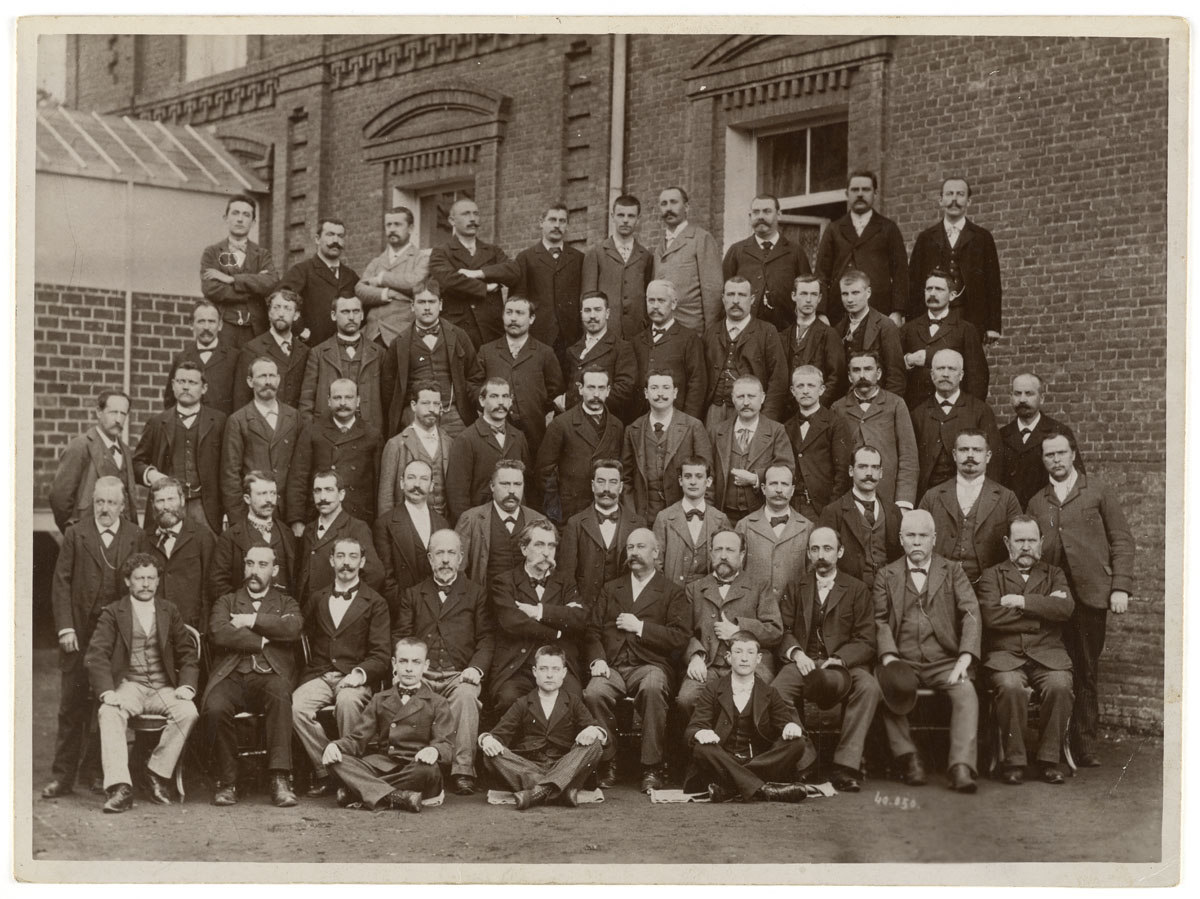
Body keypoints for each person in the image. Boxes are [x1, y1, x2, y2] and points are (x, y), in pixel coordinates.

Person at [1027, 433, 1134, 767]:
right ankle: (1055, 743)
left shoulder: (1097, 491)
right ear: (1043, 460)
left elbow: (1122, 541)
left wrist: (1120, 587)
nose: (1056, 460)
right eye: (1049, 455)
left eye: (1061, 453)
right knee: (1057, 667)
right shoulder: (1037, 501)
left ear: (1073, 454)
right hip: (1053, 599)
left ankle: (1085, 744)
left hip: (1091, 596)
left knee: (1086, 669)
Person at [43, 477, 148, 800]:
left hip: (115, 638)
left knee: (106, 704)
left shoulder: (135, 535)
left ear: (122, 505)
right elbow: (61, 583)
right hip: (79, 634)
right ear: (93, 502)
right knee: (72, 706)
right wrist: (66, 628)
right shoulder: (76, 534)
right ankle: (63, 777)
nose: (105, 508)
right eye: (99, 502)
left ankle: (97, 772)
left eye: (111, 503)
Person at [873, 509, 981, 793]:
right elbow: (880, 619)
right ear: (901, 539)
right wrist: (890, 657)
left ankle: (960, 766)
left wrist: (965, 656)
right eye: (911, 536)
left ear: (934, 539)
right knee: (886, 687)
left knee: (966, 692)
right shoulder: (886, 574)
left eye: (923, 536)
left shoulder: (953, 570)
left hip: (943, 660)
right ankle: (909, 758)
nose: (917, 542)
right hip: (903, 659)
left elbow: (971, 612)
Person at [85, 553, 200, 812]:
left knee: (188, 712)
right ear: (128, 581)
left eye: (151, 578)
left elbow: (187, 654)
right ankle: (120, 787)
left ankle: (156, 773)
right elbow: (97, 655)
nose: (146, 584)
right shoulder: (114, 612)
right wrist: (106, 691)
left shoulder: (169, 610)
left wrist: (186, 686)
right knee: (109, 712)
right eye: (139, 578)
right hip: (130, 685)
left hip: (163, 688)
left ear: (158, 581)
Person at [772, 527, 879, 793]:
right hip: (804, 663)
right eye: (815, 549)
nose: (821, 555)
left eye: (828, 549)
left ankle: (846, 765)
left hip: (844, 666)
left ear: (840, 552)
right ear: (808, 553)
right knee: (775, 691)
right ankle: (806, 759)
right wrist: (797, 653)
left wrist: (841, 659)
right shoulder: (796, 587)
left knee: (869, 687)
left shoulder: (857, 589)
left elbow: (867, 639)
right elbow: (781, 631)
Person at [584, 528, 689, 791]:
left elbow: (680, 637)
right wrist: (597, 660)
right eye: (630, 548)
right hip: (613, 666)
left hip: (650, 665)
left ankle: (651, 766)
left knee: (653, 688)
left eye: (641, 547)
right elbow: (592, 631)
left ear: (656, 553)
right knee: (594, 692)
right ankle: (609, 760)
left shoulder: (671, 591)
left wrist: (641, 627)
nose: (634, 553)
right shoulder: (611, 588)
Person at [394, 529, 494, 796]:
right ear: (430, 558)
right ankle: (413, 768)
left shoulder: (476, 593)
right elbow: (401, 636)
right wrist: (404, 670)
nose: (446, 560)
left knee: (467, 697)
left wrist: (475, 668)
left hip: (457, 674)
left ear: (461, 557)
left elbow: (487, 638)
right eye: (440, 553)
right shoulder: (413, 594)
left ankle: (463, 771)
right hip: (421, 673)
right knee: (403, 693)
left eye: (452, 553)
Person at [201, 544, 303, 808]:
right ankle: (227, 781)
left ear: (275, 570)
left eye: (262, 565)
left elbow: (292, 628)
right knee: (215, 706)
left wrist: (249, 620)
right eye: (249, 564)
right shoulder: (227, 601)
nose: (254, 571)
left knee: (281, 694)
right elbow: (219, 633)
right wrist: (265, 640)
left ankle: (280, 778)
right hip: (232, 674)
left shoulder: (286, 602)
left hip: (270, 675)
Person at [977, 515, 1075, 784]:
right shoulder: (992, 576)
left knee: (1060, 686)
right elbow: (991, 616)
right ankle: (1014, 761)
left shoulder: (1055, 574)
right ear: (1008, 543)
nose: (1026, 547)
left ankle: (1049, 760)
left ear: (1041, 543)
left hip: (1048, 655)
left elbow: (1065, 609)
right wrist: (1042, 609)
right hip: (1006, 656)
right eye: (1020, 540)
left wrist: (1020, 601)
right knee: (1010, 687)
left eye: (1031, 540)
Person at [291, 536, 391, 798]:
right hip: (321, 674)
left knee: (347, 702)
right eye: (341, 557)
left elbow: (382, 654)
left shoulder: (376, 602)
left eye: (353, 557)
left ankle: (352, 776)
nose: (346, 563)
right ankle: (328, 771)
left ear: (362, 561)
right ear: (332, 560)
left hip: (355, 677)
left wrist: (358, 675)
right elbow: (302, 638)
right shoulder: (317, 599)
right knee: (296, 706)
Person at [322, 637, 454, 812]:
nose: (408, 668)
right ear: (394, 664)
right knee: (336, 761)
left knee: (429, 771)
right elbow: (358, 738)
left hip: (415, 766)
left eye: (416, 662)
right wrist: (335, 746)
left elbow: (446, 744)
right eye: (403, 661)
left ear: (426, 666)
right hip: (383, 765)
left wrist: (435, 750)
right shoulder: (380, 699)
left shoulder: (438, 702)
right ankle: (398, 796)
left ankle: (357, 792)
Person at [683, 631, 815, 804]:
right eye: (738, 652)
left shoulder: (770, 693)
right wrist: (699, 733)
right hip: (724, 759)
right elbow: (692, 729)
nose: (744, 658)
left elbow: (785, 723)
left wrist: (791, 727)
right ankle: (766, 790)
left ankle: (731, 787)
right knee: (702, 749)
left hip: (759, 760)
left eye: (750, 653)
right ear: (729, 657)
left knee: (797, 743)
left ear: (758, 659)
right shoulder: (713, 689)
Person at [479, 644, 608, 810]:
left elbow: (600, 734)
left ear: (564, 673)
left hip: (565, 764)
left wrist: (594, 730)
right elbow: (498, 734)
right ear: (535, 672)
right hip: (529, 767)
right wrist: (486, 739)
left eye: (555, 669)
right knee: (491, 753)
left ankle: (538, 791)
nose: (549, 675)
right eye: (544, 669)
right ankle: (561, 791)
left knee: (594, 744)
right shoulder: (523, 703)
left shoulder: (573, 701)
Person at [677, 529, 783, 722]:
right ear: (710, 553)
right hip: (708, 666)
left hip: (750, 665)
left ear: (742, 555)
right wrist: (695, 656)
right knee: (687, 699)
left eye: (730, 550)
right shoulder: (695, 588)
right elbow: (683, 632)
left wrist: (739, 631)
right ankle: (704, 747)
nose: (723, 556)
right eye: (718, 550)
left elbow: (775, 631)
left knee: (759, 699)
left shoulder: (759, 586)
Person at [487, 519, 588, 716]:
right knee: (508, 698)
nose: (546, 552)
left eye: (551, 546)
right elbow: (513, 622)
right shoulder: (504, 582)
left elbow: (580, 618)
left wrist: (538, 611)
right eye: (539, 545)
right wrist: (558, 630)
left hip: (557, 666)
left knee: (572, 698)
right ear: (524, 549)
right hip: (519, 666)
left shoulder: (565, 582)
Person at [478, 203, 584, 365]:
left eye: (562, 221)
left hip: (570, 338)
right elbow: (518, 299)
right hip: (538, 336)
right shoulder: (526, 258)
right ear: (541, 222)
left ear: (567, 225)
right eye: (552, 220)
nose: (557, 225)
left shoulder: (579, 258)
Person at [918, 429, 1021, 586]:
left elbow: (1018, 546)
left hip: (990, 587)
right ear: (954, 455)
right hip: (940, 585)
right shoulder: (932, 496)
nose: (970, 455)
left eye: (977, 450)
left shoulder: (1007, 498)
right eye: (964, 450)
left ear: (988, 456)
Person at [133, 361, 227, 535]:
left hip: (205, 508)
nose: (186, 387)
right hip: (167, 507)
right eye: (181, 381)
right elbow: (137, 463)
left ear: (204, 388)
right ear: (173, 385)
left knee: (207, 555)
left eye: (192, 383)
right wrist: (153, 475)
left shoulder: (220, 422)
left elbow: (229, 469)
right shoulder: (157, 423)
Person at [467, 295, 565, 459]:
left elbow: (556, 390)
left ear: (532, 318)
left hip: (534, 431)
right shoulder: (487, 351)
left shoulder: (544, 353)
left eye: (520, 313)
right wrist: (488, 406)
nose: (513, 318)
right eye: (509, 312)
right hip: (497, 429)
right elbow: (473, 386)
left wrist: (539, 412)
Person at [907, 177, 1003, 343]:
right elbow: (914, 281)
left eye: (960, 194)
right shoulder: (926, 238)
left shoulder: (982, 237)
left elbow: (993, 283)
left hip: (971, 314)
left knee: (969, 364)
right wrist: (911, 322)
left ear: (969, 201)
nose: (954, 200)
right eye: (949, 194)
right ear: (940, 200)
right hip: (933, 313)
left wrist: (993, 326)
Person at [381, 280, 476, 440]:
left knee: (459, 458)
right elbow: (388, 388)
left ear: (440, 305)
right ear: (412, 305)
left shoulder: (459, 336)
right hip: (414, 415)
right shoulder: (399, 343)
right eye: (421, 302)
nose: (426, 307)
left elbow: (474, 374)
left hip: (452, 412)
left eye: (431, 302)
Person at [222, 355, 308, 528]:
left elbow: (301, 471)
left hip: (287, 514)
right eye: (262, 376)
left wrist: (297, 518)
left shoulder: (294, 417)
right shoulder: (238, 420)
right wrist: (239, 520)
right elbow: (230, 475)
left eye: (272, 376)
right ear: (250, 381)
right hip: (253, 514)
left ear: (278, 379)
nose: (268, 381)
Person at [814, 170, 909, 326]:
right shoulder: (834, 229)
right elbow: (821, 274)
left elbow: (901, 272)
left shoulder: (888, 228)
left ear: (875, 193)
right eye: (855, 190)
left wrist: (898, 311)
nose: (860, 194)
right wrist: (821, 312)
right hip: (838, 313)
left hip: (879, 311)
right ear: (847, 193)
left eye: (865, 190)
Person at [535, 366, 626, 524]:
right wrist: (556, 514)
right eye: (591, 388)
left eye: (601, 388)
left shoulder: (616, 426)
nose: (596, 394)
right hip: (571, 512)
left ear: (608, 390)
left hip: (605, 509)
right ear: (580, 389)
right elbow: (544, 473)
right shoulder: (561, 424)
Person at [830, 350, 918, 509]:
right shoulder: (838, 408)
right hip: (848, 498)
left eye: (868, 369)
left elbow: (909, 457)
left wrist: (903, 503)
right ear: (850, 376)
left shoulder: (896, 404)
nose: (862, 375)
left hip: (888, 497)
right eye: (856, 370)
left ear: (878, 373)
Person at [621, 370, 712, 523]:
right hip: (644, 517)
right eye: (654, 388)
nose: (660, 394)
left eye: (666, 387)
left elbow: (708, 475)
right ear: (646, 392)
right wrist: (633, 517)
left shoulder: (693, 426)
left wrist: (700, 515)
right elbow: (626, 478)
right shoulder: (633, 430)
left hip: (684, 517)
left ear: (675, 392)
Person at [910, 348, 1001, 501]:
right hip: (929, 497)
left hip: (971, 495)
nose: (945, 374)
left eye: (951, 369)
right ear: (932, 375)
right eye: (940, 369)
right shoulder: (918, 414)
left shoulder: (980, 411)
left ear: (961, 375)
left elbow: (994, 461)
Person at [702, 277, 789, 427]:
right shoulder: (711, 332)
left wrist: (766, 420)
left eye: (742, 295)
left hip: (752, 414)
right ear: (723, 299)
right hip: (714, 413)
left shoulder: (767, 331)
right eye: (730, 295)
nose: (735, 300)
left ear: (752, 299)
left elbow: (778, 379)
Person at [49, 389, 139, 533]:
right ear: (99, 412)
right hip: (88, 538)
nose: (118, 419)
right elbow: (59, 497)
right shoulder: (80, 446)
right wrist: (73, 532)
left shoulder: (126, 451)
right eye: (113, 412)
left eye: (123, 414)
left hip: (123, 539)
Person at [293, 378, 381, 524]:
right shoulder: (313, 431)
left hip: (358, 517)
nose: (342, 403)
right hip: (319, 515)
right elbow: (298, 478)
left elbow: (378, 484)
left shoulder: (372, 434)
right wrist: (297, 520)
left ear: (358, 400)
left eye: (348, 397)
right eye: (337, 398)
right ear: (328, 401)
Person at [558, 459, 645, 606]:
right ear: (592, 486)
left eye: (612, 482)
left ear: (621, 487)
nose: (606, 488)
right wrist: (576, 604)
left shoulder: (638, 523)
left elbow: (643, 572)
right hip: (585, 608)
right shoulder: (575, 523)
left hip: (625, 609)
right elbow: (566, 574)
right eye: (600, 481)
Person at [374, 459, 451, 626]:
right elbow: (386, 578)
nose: (417, 484)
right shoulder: (385, 523)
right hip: (402, 614)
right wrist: (406, 611)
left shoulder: (442, 523)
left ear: (432, 486)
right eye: (411, 477)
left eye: (424, 479)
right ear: (401, 483)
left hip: (437, 612)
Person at [721, 194, 813, 332]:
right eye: (756, 212)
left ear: (779, 214)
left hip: (785, 331)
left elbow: (807, 292)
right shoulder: (737, 251)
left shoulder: (795, 252)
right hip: (746, 332)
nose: (761, 216)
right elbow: (723, 291)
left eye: (767, 211)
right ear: (750, 216)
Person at [708, 375, 793, 524]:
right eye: (740, 396)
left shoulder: (776, 430)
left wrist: (755, 478)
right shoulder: (718, 431)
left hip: (761, 516)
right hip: (724, 515)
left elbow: (787, 468)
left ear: (762, 398)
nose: (746, 402)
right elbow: (708, 473)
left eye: (751, 396)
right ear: (733, 399)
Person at [445, 377, 532, 523]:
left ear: (511, 401)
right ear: (481, 400)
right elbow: (457, 494)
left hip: (514, 520)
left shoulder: (518, 437)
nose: (500, 402)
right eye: (494, 396)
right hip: (481, 523)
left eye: (505, 396)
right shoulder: (466, 439)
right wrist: (469, 525)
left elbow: (527, 484)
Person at [899, 269, 989, 409]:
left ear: (952, 295)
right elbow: (894, 369)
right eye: (929, 289)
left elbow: (977, 376)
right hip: (915, 410)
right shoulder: (908, 329)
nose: (932, 293)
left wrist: (971, 412)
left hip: (954, 409)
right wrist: (908, 360)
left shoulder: (965, 329)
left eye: (939, 289)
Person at [427, 198, 510, 347]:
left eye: (476, 214)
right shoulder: (441, 252)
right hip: (458, 327)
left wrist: (479, 273)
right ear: (452, 220)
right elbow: (449, 279)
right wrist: (485, 288)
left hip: (491, 328)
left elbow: (511, 271)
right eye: (466, 214)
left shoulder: (493, 251)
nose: (472, 219)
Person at [818, 446, 904, 591]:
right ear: (851, 471)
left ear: (881, 472)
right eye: (863, 467)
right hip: (849, 596)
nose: (869, 473)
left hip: (889, 593)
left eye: (875, 467)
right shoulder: (833, 512)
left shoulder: (893, 511)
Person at [294, 470, 384, 604]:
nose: (323, 497)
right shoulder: (309, 529)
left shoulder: (356, 528)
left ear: (341, 494)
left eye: (329, 490)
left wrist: (349, 605)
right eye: (317, 491)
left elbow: (375, 574)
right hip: (308, 611)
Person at [199, 194, 278, 349]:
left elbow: (271, 282)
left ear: (253, 222)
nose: (240, 219)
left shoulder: (262, 254)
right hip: (223, 329)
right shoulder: (212, 252)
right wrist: (255, 287)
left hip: (255, 330)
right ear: (225, 217)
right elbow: (211, 289)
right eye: (235, 213)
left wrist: (233, 280)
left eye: (246, 215)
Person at [999, 372, 1085, 509]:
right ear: (1011, 398)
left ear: (1042, 398)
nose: (1022, 399)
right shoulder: (1001, 435)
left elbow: (1076, 479)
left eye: (1029, 393)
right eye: (1017, 393)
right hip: (1011, 514)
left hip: (1048, 510)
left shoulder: (1059, 432)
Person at [298, 295, 384, 429]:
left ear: (362, 315)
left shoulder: (378, 352)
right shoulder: (318, 353)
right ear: (333, 315)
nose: (351, 317)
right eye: (345, 312)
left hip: (368, 431)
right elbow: (307, 399)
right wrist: (312, 432)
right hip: (328, 431)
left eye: (356, 311)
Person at [629, 279, 709, 420]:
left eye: (661, 301)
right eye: (651, 301)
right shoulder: (636, 341)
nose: (655, 306)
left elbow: (697, 383)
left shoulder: (689, 339)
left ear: (673, 304)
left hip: (676, 419)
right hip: (641, 420)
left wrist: (687, 422)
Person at [212, 472, 298, 600]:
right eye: (262, 494)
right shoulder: (230, 537)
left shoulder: (287, 534)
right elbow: (218, 584)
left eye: (273, 493)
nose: (269, 499)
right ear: (247, 498)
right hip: (243, 614)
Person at [734, 465, 813, 605]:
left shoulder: (807, 528)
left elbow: (811, 574)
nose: (779, 490)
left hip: (793, 610)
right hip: (754, 609)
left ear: (793, 490)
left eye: (784, 484)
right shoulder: (744, 525)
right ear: (763, 489)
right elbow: (736, 573)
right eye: (773, 483)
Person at [454, 459, 540, 587]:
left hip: (527, 602)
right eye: (505, 484)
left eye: (517, 484)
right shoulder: (471, 519)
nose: (512, 490)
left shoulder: (538, 520)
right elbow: (457, 569)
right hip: (486, 601)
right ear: (492, 486)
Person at [145, 477, 215, 632]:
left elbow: (209, 588)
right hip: (154, 626)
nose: (166, 507)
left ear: (182, 500)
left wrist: (203, 629)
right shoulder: (144, 539)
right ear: (152, 505)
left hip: (191, 626)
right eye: (160, 501)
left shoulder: (202, 537)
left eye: (171, 499)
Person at [276, 217, 359, 346]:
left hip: (343, 350)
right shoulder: (301, 271)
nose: (335, 241)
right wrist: (301, 331)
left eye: (340, 236)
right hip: (311, 348)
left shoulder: (351, 276)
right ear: (317, 239)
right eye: (330, 235)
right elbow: (282, 301)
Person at [354, 205, 430, 348]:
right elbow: (360, 289)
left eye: (398, 224)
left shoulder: (420, 258)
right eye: (388, 225)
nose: (392, 229)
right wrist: (387, 293)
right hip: (371, 335)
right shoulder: (376, 262)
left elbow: (415, 283)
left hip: (403, 336)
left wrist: (381, 278)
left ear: (411, 228)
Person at [784, 364, 853, 521]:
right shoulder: (786, 426)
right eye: (800, 386)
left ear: (821, 390)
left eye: (811, 385)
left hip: (822, 506)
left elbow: (842, 472)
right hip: (792, 505)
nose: (806, 391)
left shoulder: (835, 423)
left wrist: (831, 509)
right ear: (793, 391)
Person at [651, 186, 723, 333]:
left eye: (674, 202)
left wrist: (710, 334)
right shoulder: (660, 247)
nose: (668, 208)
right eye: (664, 204)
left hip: (692, 330)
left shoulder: (701, 238)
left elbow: (713, 291)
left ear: (686, 207)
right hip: (664, 330)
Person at [581, 193, 654, 338]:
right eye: (621, 215)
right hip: (605, 334)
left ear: (638, 219)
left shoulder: (646, 256)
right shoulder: (596, 253)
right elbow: (587, 298)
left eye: (631, 216)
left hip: (637, 335)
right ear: (612, 216)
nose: (625, 220)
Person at [651, 457, 731, 588]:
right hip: (673, 593)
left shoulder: (720, 519)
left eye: (699, 477)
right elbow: (656, 562)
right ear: (680, 481)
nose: (693, 482)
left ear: (709, 481)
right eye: (688, 477)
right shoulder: (664, 518)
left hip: (709, 595)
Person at [378, 384, 453, 520]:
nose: (432, 409)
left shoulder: (449, 442)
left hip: (443, 523)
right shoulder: (396, 444)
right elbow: (386, 497)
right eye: (425, 403)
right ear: (413, 405)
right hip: (407, 524)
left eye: (436, 404)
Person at [560, 291, 637, 418]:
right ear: (581, 314)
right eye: (587, 310)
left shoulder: (622, 348)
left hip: (604, 420)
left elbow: (624, 390)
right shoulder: (572, 350)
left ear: (607, 313)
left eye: (597, 310)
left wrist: (579, 404)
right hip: (572, 422)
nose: (592, 316)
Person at [233, 289, 312, 410]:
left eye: (287, 308)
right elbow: (241, 398)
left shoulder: (305, 351)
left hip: (295, 423)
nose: (281, 313)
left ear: (296, 315)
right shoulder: (252, 349)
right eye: (276, 307)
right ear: (269, 313)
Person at [831, 270, 906, 397]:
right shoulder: (838, 329)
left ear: (868, 293)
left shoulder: (885, 326)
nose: (849, 299)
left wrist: (884, 410)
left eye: (855, 293)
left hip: (877, 404)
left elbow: (896, 377)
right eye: (845, 294)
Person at [163, 300, 239, 416]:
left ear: (220, 325)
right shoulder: (181, 357)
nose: (206, 327)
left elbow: (240, 401)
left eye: (212, 322)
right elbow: (170, 400)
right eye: (201, 322)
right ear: (191, 325)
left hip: (223, 430)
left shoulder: (235, 357)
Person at [779, 275, 845, 411]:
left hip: (817, 411)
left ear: (819, 298)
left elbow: (836, 377)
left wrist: (816, 407)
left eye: (813, 294)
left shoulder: (829, 334)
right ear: (793, 296)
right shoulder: (783, 336)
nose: (808, 300)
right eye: (803, 294)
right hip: (786, 413)